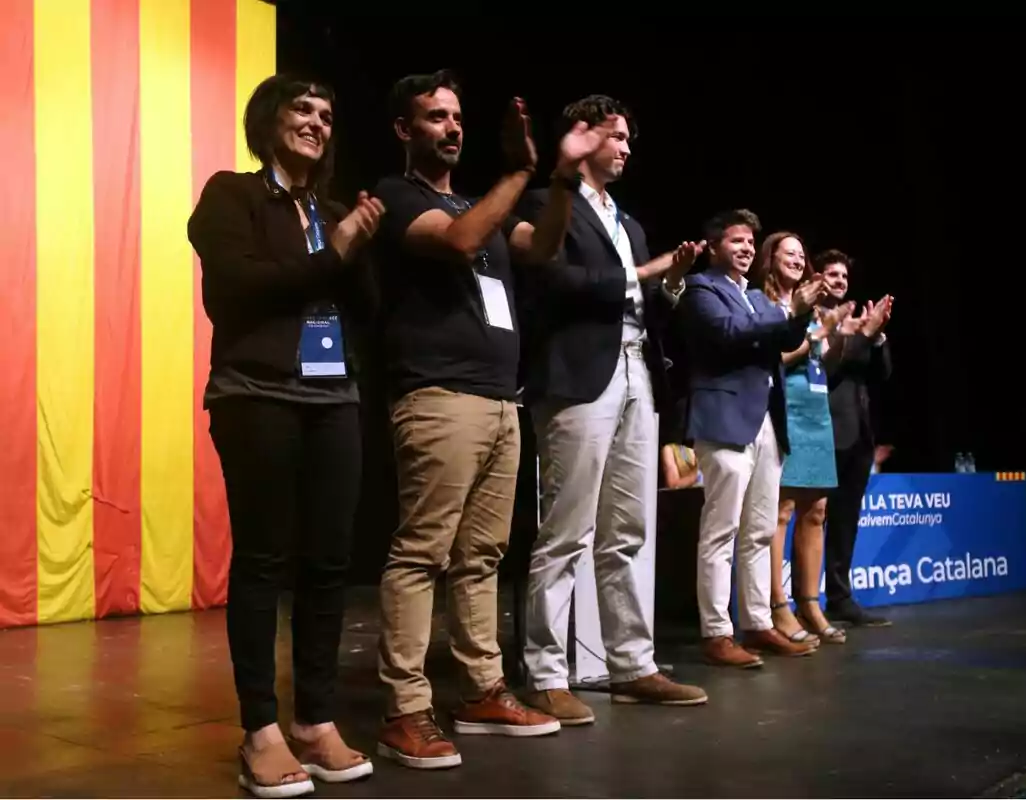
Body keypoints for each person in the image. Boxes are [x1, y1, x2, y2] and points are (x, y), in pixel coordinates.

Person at [370, 69, 617, 770]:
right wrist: (520, 170)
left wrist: (562, 179)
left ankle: (480, 688)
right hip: (437, 396)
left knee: (481, 557)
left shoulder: (487, 202)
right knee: (423, 552)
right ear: (404, 130)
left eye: (456, 117)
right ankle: (405, 709)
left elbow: (540, 249)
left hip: (501, 401)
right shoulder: (398, 197)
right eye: (435, 117)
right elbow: (455, 241)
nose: (451, 127)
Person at [188, 74, 384, 797]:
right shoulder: (231, 195)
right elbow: (240, 288)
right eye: (303, 109)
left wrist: (361, 246)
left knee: (330, 562)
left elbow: (363, 307)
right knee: (265, 559)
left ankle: (316, 720)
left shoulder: (332, 210)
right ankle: (261, 729)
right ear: (268, 120)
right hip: (256, 392)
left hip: (333, 396)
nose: (317, 123)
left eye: (328, 115)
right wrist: (336, 252)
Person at [518, 95, 707, 724]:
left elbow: (645, 305)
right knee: (566, 530)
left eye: (629, 138)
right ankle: (546, 673)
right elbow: (556, 283)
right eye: (616, 136)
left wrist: (671, 279)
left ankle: (633, 666)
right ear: (584, 137)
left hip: (635, 372)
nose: (626, 148)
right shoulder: (548, 205)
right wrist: (647, 272)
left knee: (629, 530)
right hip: (577, 374)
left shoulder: (629, 224)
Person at [677, 210, 824, 667]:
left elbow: (781, 338)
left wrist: (795, 314)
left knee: (760, 530)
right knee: (722, 530)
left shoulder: (758, 298)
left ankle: (758, 623)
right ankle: (717, 631)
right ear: (715, 246)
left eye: (749, 242)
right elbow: (727, 333)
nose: (744, 247)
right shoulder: (702, 288)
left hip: (765, 419)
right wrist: (786, 313)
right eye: (736, 240)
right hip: (724, 416)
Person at [751, 233, 854, 648]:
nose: (796, 258)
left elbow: (824, 362)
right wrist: (813, 337)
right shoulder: (764, 301)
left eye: (800, 253)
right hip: (784, 406)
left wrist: (842, 333)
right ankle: (777, 606)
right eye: (788, 252)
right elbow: (772, 357)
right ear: (770, 259)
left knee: (817, 510)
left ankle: (810, 603)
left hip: (816, 411)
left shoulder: (812, 305)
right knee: (782, 509)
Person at [813, 249, 894, 627]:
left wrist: (876, 339)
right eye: (832, 273)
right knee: (813, 518)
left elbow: (882, 375)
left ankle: (840, 598)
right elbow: (828, 368)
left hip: (859, 433)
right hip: (823, 429)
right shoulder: (812, 317)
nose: (840, 281)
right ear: (818, 276)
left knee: (846, 520)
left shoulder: (859, 324)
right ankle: (803, 602)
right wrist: (862, 334)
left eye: (844, 276)